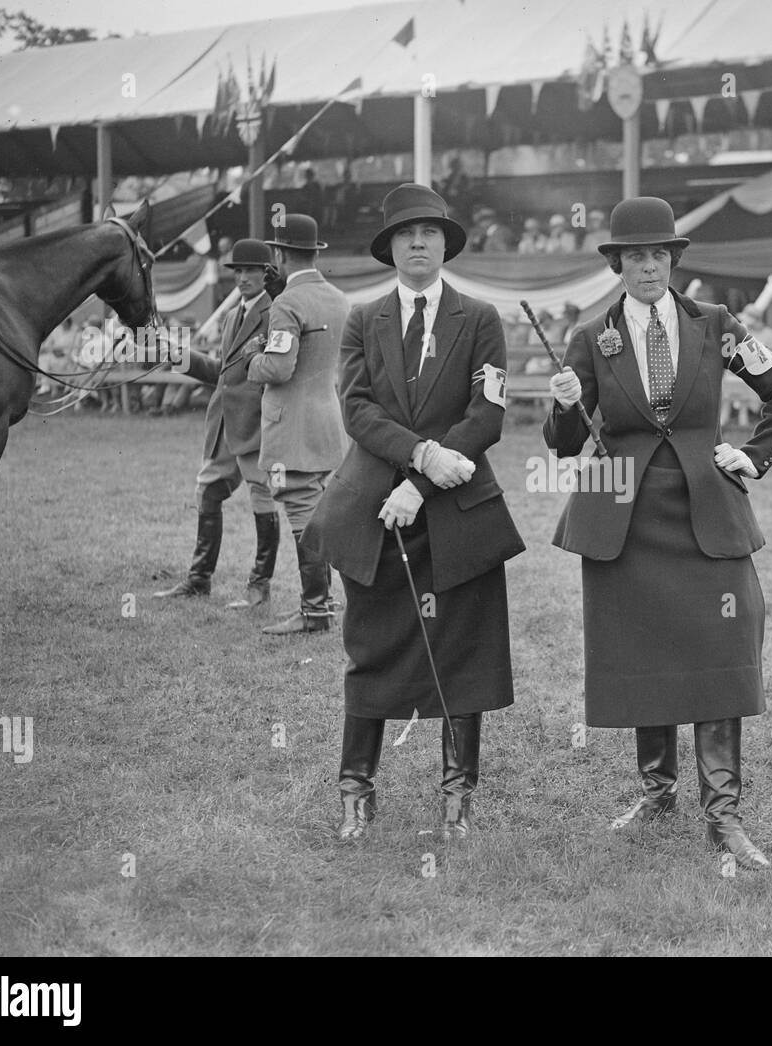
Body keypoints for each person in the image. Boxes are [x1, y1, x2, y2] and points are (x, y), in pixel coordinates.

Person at [544, 196, 772, 871]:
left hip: (706, 512)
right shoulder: (590, 335)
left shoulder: (716, 324)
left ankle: (723, 817)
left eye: (659, 255)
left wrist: (753, 454)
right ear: (619, 265)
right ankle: (656, 794)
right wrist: (565, 406)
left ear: (673, 261)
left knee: (723, 645)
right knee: (643, 652)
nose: (648, 267)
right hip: (621, 518)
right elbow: (566, 441)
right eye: (635, 256)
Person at [302, 183, 525, 842]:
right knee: (372, 646)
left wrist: (425, 483)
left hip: (458, 507)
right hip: (376, 509)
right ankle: (355, 788)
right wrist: (421, 455)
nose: (419, 243)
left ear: (445, 244)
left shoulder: (481, 318)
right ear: (391, 247)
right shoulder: (363, 319)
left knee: (465, 650)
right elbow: (357, 408)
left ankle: (458, 792)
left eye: (429, 233)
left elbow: (488, 415)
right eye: (406, 234)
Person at [153, 240, 281, 610]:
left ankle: (259, 587)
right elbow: (222, 374)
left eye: (250, 271)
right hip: (224, 422)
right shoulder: (231, 317)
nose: (242, 278)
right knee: (207, 492)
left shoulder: (275, 315)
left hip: (256, 424)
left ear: (266, 274)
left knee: (262, 498)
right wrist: (178, 355)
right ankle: (198, 580)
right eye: (237, 271)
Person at [244, 214, 350, 635]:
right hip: (327, 420)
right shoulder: (339, 298)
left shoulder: (287, 303)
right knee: (321, 510)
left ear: (280, 255)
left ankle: (315, 610)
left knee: (303, 512)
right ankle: (325, 602)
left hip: (292, 426)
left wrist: (255, 356)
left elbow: (280, 367)